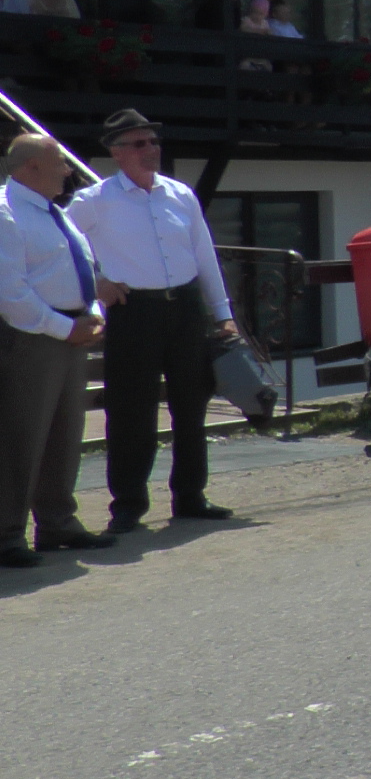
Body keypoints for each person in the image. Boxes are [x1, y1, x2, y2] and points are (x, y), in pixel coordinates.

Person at [68, 109, 239, 532]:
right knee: (131, 411)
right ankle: (128, 503)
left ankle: (190, 495)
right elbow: (61, 250)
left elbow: (204, 256)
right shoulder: (94, 200)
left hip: (184, 307)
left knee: (191, 405)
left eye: (154, 142)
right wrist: (96, 282)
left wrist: (223, 314)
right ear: (116, 151)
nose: (152, 150)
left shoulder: (180, 194)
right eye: (140, 143)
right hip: (133, 311)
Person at [0, 133, 113, 567]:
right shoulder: (7, 215)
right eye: (60, 163)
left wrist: (94, 312)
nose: (69, 170)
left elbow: (87, 268)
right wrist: (65, 328)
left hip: (71, 333)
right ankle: (7, 533)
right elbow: (11, 293)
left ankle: (57, 522)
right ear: (31, 169)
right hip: (34, 338)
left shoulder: (55, 214)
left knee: (64, 435)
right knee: (20, 437)